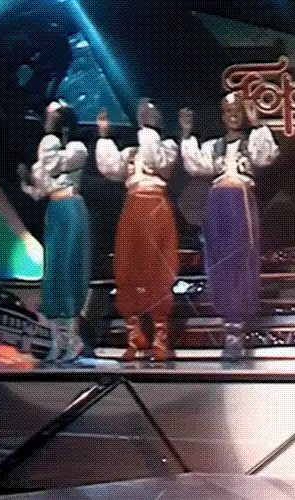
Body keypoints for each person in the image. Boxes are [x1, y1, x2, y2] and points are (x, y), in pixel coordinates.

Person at [179, 93, 279, 360]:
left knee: (241, 257)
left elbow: (265, 157)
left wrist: (258, 125)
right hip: (218, 201)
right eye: (227, 111)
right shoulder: (214, 146)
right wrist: (187, 134)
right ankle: (227, 326)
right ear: (222, 115)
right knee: (219, 258)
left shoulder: (253, 142)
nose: (233, 116)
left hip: (240, 199)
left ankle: (237, 328)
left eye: (237, 111)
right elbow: (196, 165)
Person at [95, 99, 178, 362]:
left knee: (157, 270)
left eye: (150, 114)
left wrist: (148, 129)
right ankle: (134, 335)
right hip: (132, 208)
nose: (144, 117)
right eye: (141, 114)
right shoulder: (131, 152)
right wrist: (104, 137)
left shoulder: (168, 147)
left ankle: (160, 337)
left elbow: (155, 159)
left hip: (155, 208)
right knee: (127, 268)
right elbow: (110, 169)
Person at [17, 101, 90, 362]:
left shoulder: (76, 149)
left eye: (52, 117)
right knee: (55, 272)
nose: (46, 121)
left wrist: (48, 137)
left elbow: (53, 164)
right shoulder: (48, 152)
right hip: (56, 211)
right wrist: (27, 180)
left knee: (69, 270)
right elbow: (40, 190)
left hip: (70, 208)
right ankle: (58, 342)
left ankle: (73, 341)